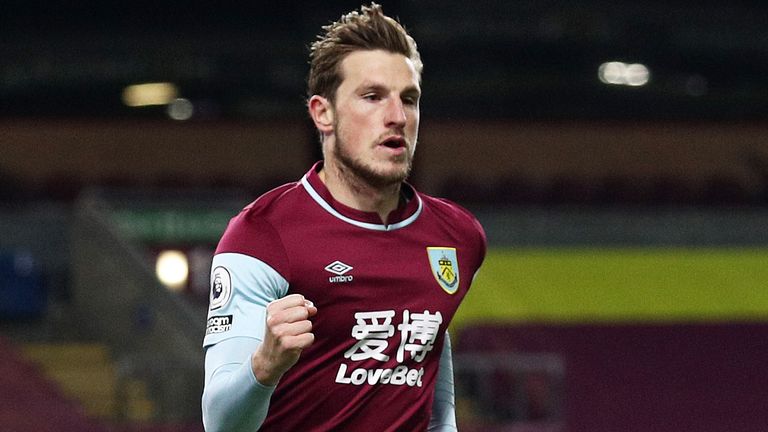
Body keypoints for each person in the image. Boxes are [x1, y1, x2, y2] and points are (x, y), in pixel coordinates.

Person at [201, 3, 486, 431]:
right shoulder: (262, 235)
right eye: (372, 97)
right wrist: (264, 365)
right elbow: (220, 422)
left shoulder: (459, 237)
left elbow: (429, 352)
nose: (397, 116)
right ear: (323, 113)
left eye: (409, 99)